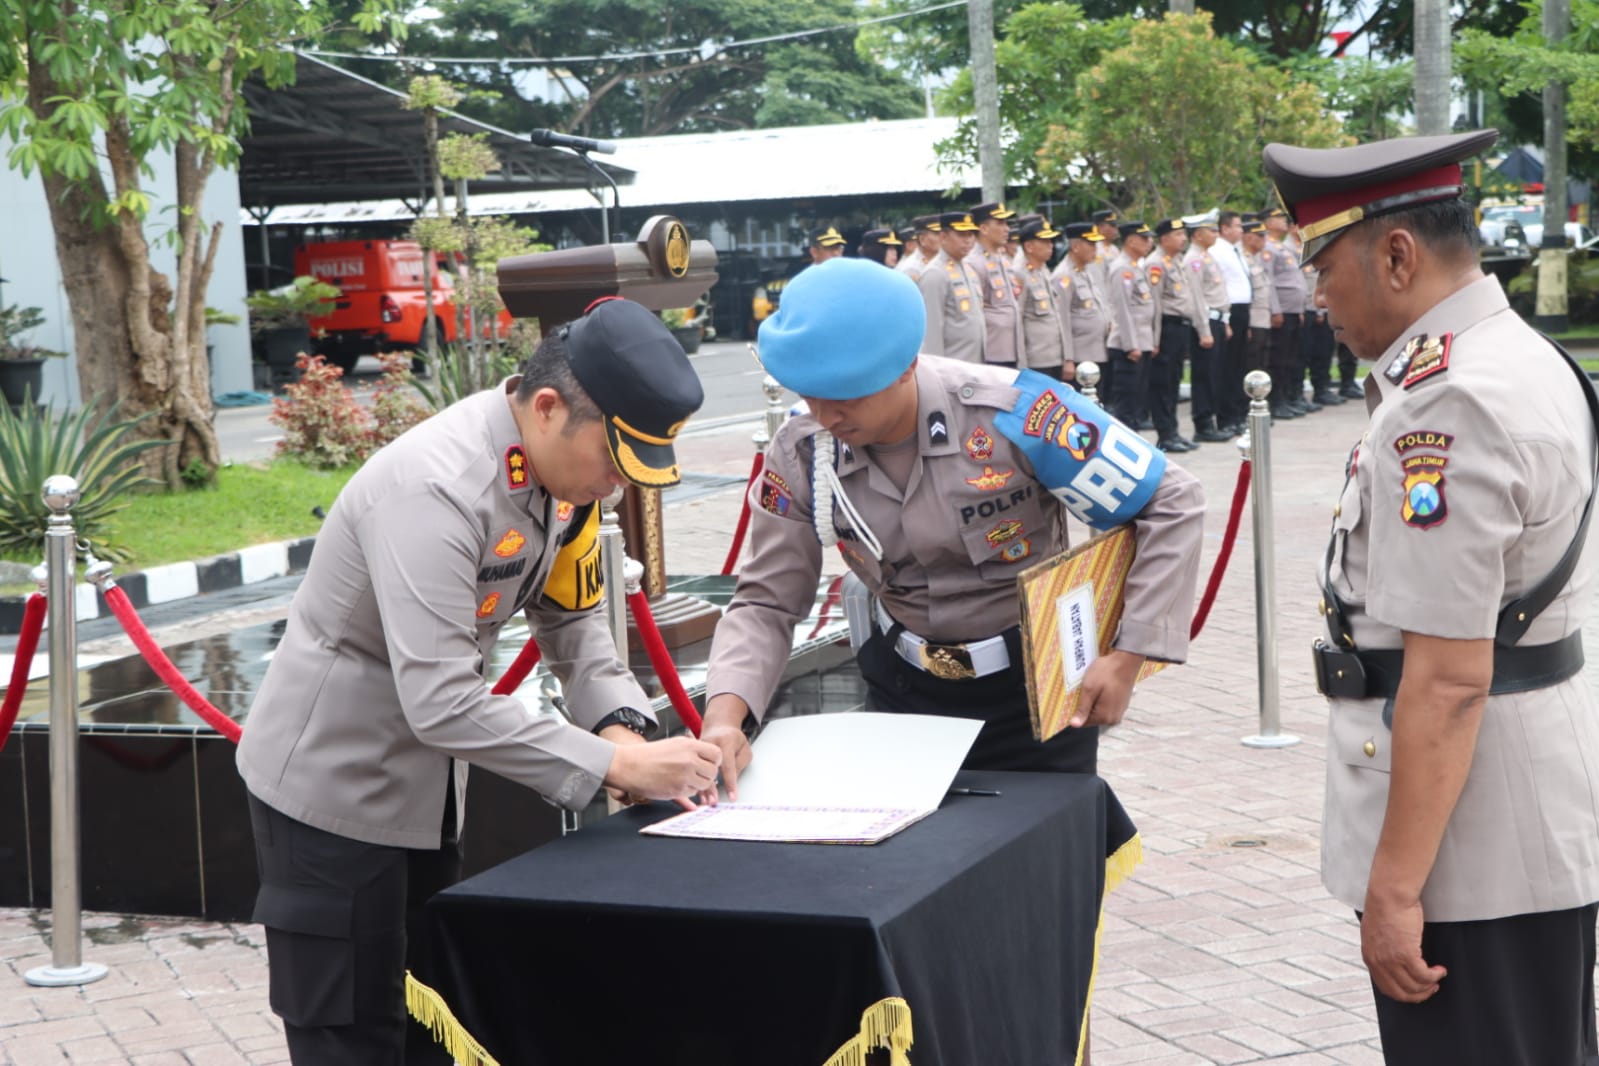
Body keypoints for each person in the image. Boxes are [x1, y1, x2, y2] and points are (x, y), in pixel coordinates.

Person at [237, 297, 725, 1064]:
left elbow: (573, 624)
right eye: (612, 460)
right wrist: (614, 767)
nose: (615, 486)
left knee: (435, 1017)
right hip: (331, 794)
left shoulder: (568, 482)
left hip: (430, 792)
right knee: (350, 1030)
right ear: (546, 407)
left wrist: (621, 726)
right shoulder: (436, 490)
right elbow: (439, 700)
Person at [1265, 128, 1599, 1065]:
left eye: (1323, 268)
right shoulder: (1518, 355)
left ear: (1397, 255)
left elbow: (1448, 678)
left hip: (1472, 842)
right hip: (1519, 804)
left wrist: (1399, 888)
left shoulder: (1445, 401)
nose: (1316, 297)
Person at [698, 255, 1203, 791]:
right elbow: (767, 600)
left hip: (1035, 690)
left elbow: (1172, 501)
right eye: (809, 394)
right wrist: (725, 718)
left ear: (906, 367)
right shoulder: (803, 452)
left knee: (1047, 860)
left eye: (845, 396)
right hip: (903, 690)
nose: (825, 417)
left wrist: (1127, 656)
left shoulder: (1015, 415)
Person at [1183, 215, 1237, 441]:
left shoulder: (1207, 256)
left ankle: (1212, 421)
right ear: (1197, 235)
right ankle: (1203, 424)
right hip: (1205, 322)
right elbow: (1196, 299)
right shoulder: (1193, 260)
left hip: (1217, 319)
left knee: (1216, 373)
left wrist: (1224, 321)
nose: (1215, 234)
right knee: (1204, 375)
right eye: (1210, 231)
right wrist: (1204, 330)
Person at [1148, 217, 1200, 453]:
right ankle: (1165, 434)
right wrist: (1155, 338)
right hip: (1166, 329)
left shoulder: (1176, 261)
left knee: (1174, 381)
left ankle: (1174, 432)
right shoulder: (1155, 264)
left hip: (1181, 327)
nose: (1183, 239)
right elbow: (1155, 305)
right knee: (1163, 383)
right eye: (1178, 235)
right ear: (1165, 239)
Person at [1105, 220, 1158, 437]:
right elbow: (1122, 310)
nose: (1149, 242)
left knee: (1137, 398)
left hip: (1141, 341)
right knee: (1126, 402)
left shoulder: (1135, 266)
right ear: (1132, 241)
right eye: (1144, 238)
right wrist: (1131, 345)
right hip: (1129, 345)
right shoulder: (1122, 269)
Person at [916, 210, 987, 362]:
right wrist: (937, 372)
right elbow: (932, 331)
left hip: (975, 362)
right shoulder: (935, 273)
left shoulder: (968, 269)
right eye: (962, 234)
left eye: (971, 234)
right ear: (943, 237)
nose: (968, 240)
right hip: (954, 365)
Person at [1053, 222, 1111, 386]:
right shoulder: (1064, 276)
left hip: (1098, 351)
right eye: (1091, 244)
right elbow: (1062, 320)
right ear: (1076, 247)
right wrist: (1068, 359)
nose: (1095, 249)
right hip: (1080, 356)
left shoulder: (1087, 271)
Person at [1015, 216, 1072, 382]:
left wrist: (1066, 357)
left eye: (1051, 241)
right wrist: (1022, 363)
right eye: (1045, 241)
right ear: (1029, 246)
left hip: (1053, 356)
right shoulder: (1019, 274)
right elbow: (1018, 320)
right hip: (1036, 358)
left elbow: (1057, 316)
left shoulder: (1044, 271)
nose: (1051, 245)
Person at [971, 201, 1026, 368]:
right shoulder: (974, 262)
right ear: (984, 229)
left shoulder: (1003, 260)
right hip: (992, 351)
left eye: (1006, 223)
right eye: (1000, 223)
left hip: (1012, 347)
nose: (1007, 229)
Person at [897, 215, 941, 282]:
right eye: (937, 234)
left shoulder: (943, 260)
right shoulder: (912, 268)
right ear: (922, 239)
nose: (942, 237)